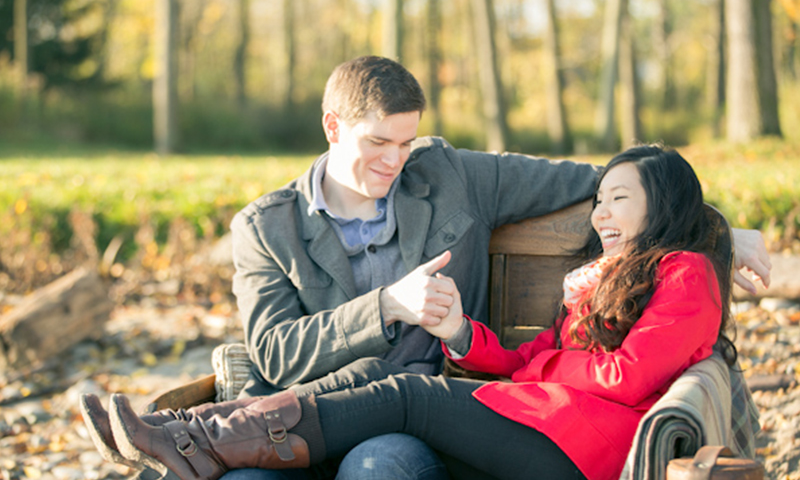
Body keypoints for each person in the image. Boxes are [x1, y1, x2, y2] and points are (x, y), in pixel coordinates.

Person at [80, 57, 771, 480]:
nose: (395, 161)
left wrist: (711, 224)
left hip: (451, 426)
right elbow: (276, 351)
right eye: (378, 142)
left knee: (387, 458)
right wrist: (407, 311)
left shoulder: (447, 172)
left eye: (406, 142)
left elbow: (608, 183)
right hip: (325, 408)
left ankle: (191, 432)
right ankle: (192, 438)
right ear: (332, 126)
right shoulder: (266, 226)